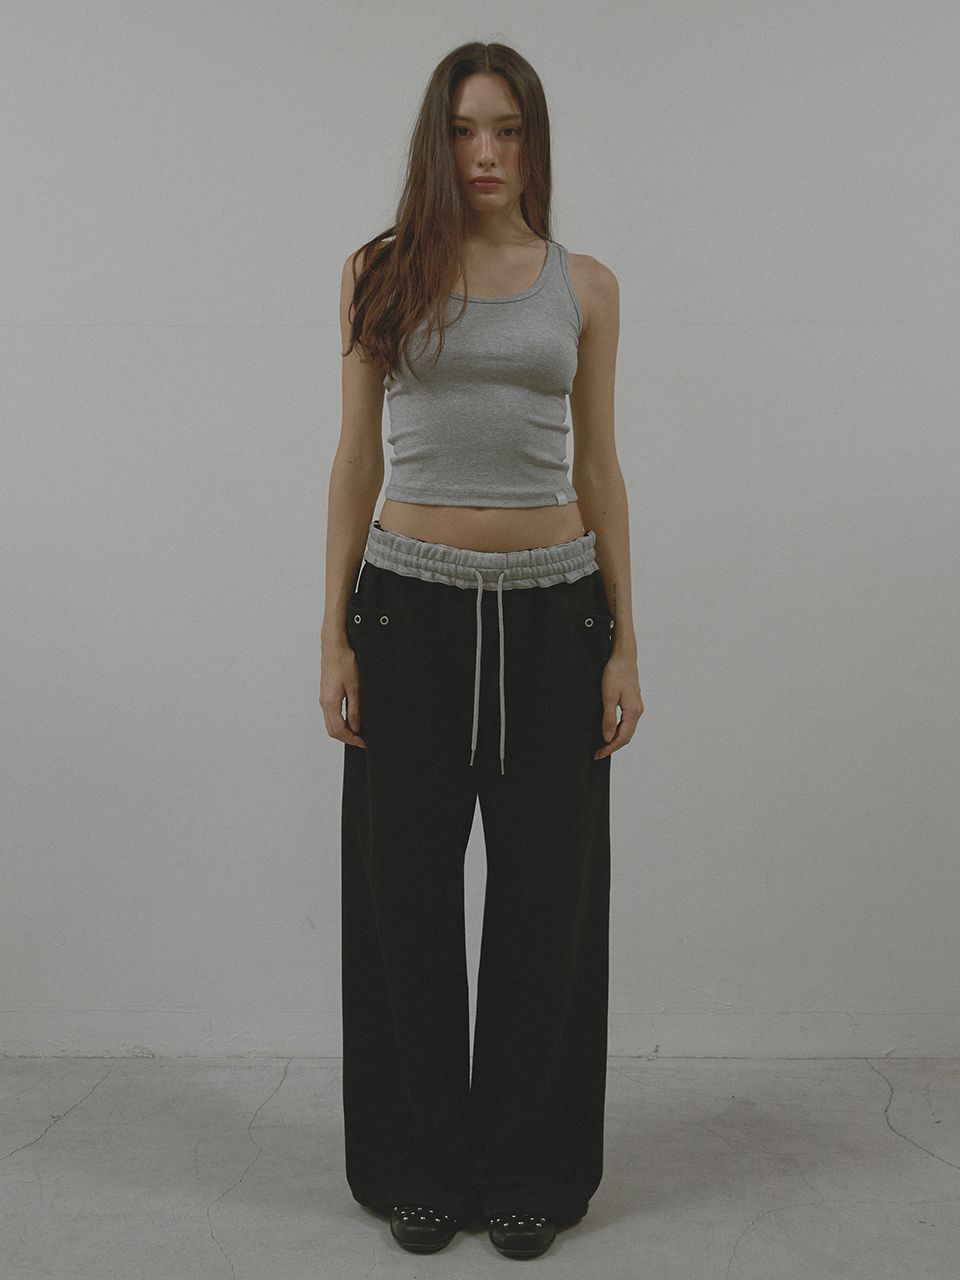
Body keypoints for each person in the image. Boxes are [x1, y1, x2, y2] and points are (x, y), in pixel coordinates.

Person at [319, 41, 643, 1261]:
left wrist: (624, 642)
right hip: (407, 615)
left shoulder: (585, 285)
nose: (486, 152)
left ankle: (528, 1168)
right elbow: (356, 458)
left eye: (507, 129)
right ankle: (416, 1166)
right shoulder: (378, 273)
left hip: (556, 619)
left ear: (534, 141)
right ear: (436, 142)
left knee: (549, 902)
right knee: (400, 898)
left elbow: (599, 464)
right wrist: (332, 630)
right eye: (464, 129)